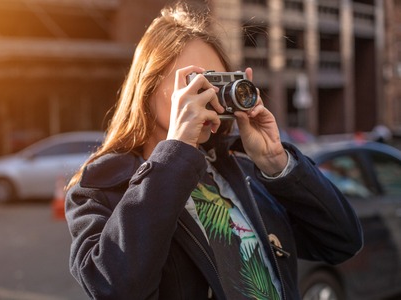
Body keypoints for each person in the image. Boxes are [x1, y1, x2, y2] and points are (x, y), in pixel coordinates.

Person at [65, 2, 363, 300]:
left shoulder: (243, 171)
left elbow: (342, 241)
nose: (210, 98)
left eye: (218, 84)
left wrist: (276, 163)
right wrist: (176, 152)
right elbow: (113, 287)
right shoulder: (99, 190)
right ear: (148, 87)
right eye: (196, 83)